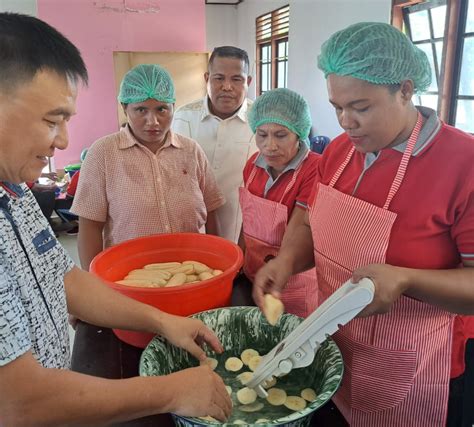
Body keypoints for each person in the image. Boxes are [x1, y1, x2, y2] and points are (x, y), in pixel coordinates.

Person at [0, 12, 231, 425]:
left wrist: (161, 320)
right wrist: (172, 391)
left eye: (66, 119)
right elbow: (19, 403)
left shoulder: (13, 192)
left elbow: (64, 277)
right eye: (52, 120)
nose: (65, 141)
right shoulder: (104, 154)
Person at [254, 22, 474, 427]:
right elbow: (309, 221)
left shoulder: (463, 163)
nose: (345, 122)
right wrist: (286, 261)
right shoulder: (339, 152)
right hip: (333, 347)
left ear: (405, 90)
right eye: (337, 107)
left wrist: (407, 280)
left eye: (360, 107)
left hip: (416, 364)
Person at [71, 64, 225, 271]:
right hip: (129, 276)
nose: (152, 121)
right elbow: (90, 225)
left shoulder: (191, 151)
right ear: (125, 108)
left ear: (173, 107)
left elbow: (212, 210)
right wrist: (95, 282)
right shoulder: (104, 153)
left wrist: (218, 263)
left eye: (161, 109)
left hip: (191, 272)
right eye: (141, 110)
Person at [239, 88, 320, 317]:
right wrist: (238, 258)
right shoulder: (252, 167)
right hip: (253, 274)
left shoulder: (315, 169)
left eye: (281, 135)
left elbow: (299, 227)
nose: (270, 146)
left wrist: (280, 268)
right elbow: (248, 222)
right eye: (262, 135)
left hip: (294, 281)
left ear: (299, 133)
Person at [172, 46, 257, 243]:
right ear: (207, 78)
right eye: (219, 78)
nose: (227, 87)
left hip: (244, 234)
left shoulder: (261, 121)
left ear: (248, 82)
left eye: (236, 79)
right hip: (190, 231)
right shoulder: (183, 117)